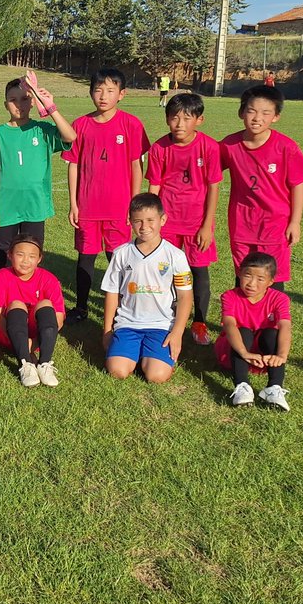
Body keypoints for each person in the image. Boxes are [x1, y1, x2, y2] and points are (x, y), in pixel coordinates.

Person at [62, 68, 150, 321]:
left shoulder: (131, 124)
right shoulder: (80, 124)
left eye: (110, 90)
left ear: (121, 94)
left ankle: (123, 307)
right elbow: (74, 165)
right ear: (91, 93)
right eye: (98, 90)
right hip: (88, 208)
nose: (103, 96)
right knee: (85, 259)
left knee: (119, 259)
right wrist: (73, 204)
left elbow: (136, 165)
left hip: (119, 208)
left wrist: (133, 205)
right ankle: (80, 307)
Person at [219, 84, 303, 289]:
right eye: (251, 111)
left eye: (265, 113)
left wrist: (295, 222)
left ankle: (274, 320)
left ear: (276, 117)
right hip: (241, 223)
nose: (257, 118)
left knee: (273, 275)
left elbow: (298, 185)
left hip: (276, 223)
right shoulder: (229, 145)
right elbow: (208, 170)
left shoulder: (285, 147)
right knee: (244, 274)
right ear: (241, 113)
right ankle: (243, 320)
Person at [145, 92, 222, 346]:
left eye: (187, 118)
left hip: (196, 224)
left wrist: (207, 226)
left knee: (199, 271)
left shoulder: (209, 147)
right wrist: (150, 221)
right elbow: (154, 187)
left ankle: (199, 322)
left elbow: (213, 188)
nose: (179, 123)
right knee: (164, 272)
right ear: (167, 119)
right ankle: (164, 318)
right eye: (174, 117)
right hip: (167, 223)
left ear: (199, 120)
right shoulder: (159, 148)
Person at [0, 71, 76, 274]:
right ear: (5, 104)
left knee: (30, 254)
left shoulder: (42, 130)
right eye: (13, 100)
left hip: (34, 205)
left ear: (33, 102)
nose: (19, 105)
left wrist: (49, 106)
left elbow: (70, 136)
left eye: (25, 99)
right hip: (6, 206)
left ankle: (27, 297)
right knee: (0, 252)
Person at [101, 194, 193, 384]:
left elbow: (185, 297)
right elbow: (112, 293)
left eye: (150, 220)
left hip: (161, 325)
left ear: (163, 220)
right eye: (138, 221)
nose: (144, 227)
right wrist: (107, 330)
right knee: (117, 371)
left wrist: (177, 333)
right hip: (128, 323)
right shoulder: (121, 253)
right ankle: (134, 351)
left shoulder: (175, 255)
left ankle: (146, 354)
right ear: (130, 221)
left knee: (156, 376)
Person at [217, 252, 293, 411]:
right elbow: (229, 325)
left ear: (271, 282)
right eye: (247, 276)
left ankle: (274, 388)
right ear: (239, 274)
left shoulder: (280, 298)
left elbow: (285, 326)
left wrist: (282, 356)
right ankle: (242, 386)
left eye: (260, 279)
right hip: (236, 350)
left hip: (262, 356)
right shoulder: (229, 296)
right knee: (243, 330)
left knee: (272, 333)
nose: (252, 283)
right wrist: (244, 353)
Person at [0, 234, 65, 388]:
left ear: (39, 259)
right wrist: (22, 343)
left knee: (45, 303)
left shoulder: (49, 279)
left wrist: (35, 342)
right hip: (10, 334)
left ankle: (44, 363)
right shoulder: (0, 277)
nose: (25, 261)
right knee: (16, 304)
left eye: (32, 256)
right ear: (10, 255)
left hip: (39, 339)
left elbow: (58, 319)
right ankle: (25, 363)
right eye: (20, 255)